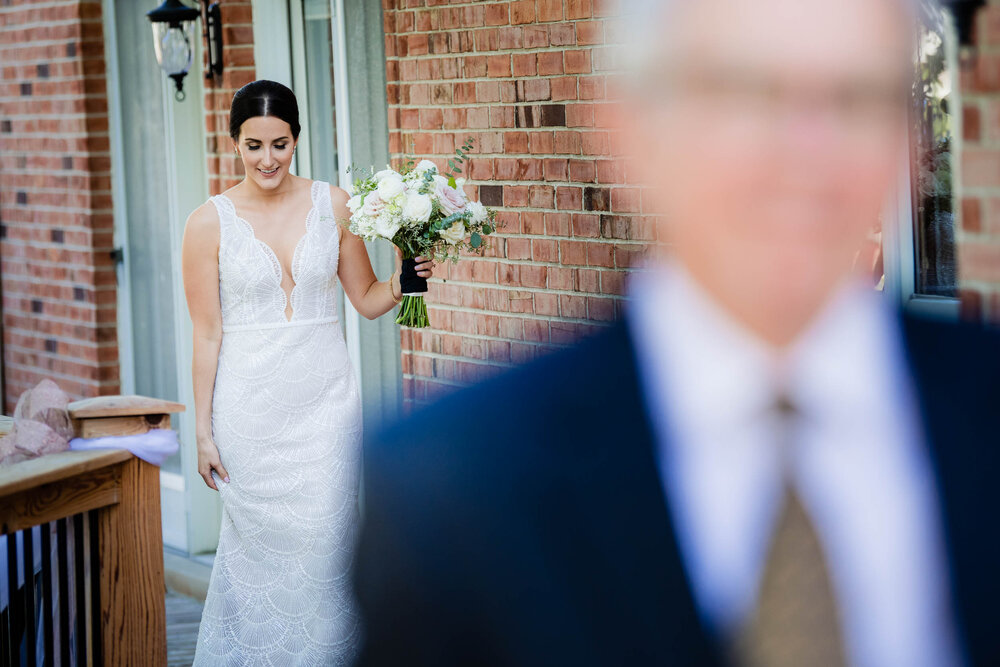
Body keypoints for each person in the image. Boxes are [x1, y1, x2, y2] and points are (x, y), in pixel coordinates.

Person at [354, 0, 1000, 665]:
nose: (808, 150)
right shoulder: (450, 490)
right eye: (747, 93)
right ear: (629, 129)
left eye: (858, 98)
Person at [181, 79, 435, 666]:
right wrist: (204, 433)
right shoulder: (206, 223)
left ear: (296, 138)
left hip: (326, 407)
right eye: (253, 146)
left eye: (279, 143)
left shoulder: (335, 203)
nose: (267, 159)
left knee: (331, 547)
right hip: (250, 416)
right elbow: (207, 334)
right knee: (259, 563)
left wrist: (406, 279)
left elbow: (367, 298)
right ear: (234, 144)